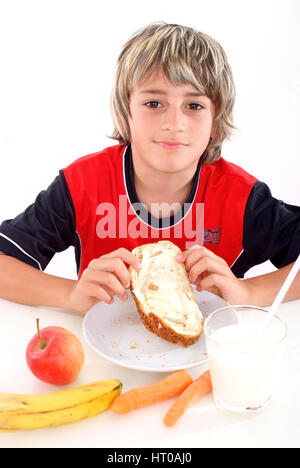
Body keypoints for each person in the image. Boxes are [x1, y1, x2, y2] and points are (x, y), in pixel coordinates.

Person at [0, 22, 299, 314]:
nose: (174, 124)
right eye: (154, 103)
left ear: (215, 119)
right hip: (100, 357)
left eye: (194, 106)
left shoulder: (242, 198)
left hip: (207, 359)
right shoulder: (82, 184)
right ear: (125, 110)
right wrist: (70, 294)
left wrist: (247, 293)